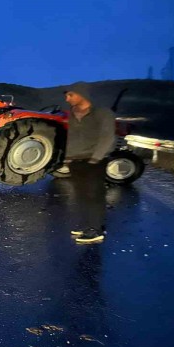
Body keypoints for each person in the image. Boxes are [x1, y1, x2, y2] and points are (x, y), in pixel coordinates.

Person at [63, 82, 116, 244]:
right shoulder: (72, 113)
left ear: (82, 94)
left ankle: (96, 230)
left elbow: (107, 136)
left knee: (95, 195)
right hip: (76, 160)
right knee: (81, 195)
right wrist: (68, 157)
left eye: (70, 95)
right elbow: (71, 136)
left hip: (94, 160)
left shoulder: (102, 112)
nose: (67, 99)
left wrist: (96, 158)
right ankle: (87, 225)